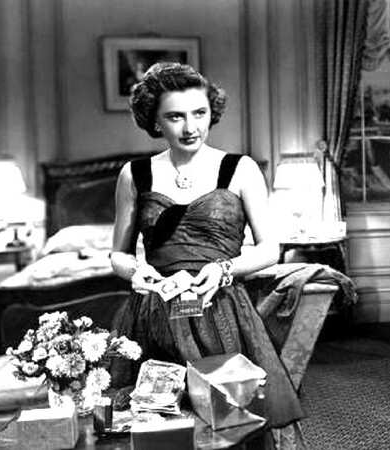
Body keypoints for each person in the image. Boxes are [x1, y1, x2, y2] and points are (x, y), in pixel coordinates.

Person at [109, 62, 303, 433]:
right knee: (157, 425)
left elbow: (269, 249)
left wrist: (223, 268)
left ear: (212, 112)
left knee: (230, 422)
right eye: (175, 117)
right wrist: (137, 270)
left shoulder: (241, 168)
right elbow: (118, 254)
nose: (190, 127)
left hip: (221, 311)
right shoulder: (134, 174)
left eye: (199, 113)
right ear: (155, 121)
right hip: (154, 314)